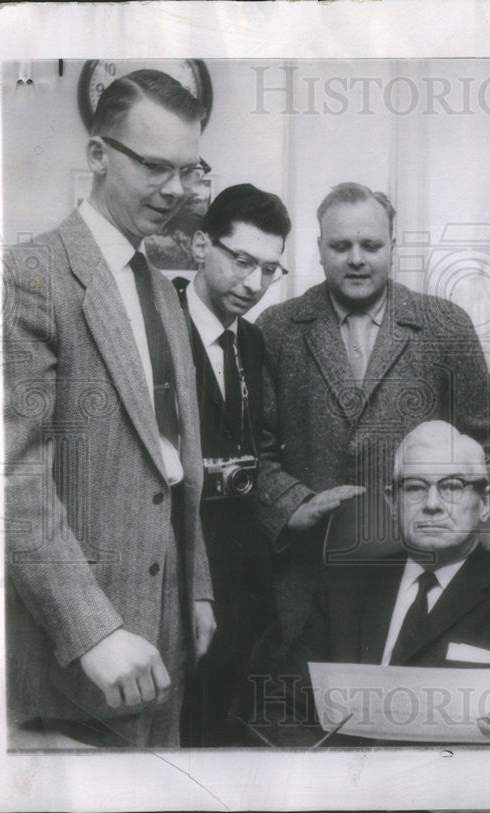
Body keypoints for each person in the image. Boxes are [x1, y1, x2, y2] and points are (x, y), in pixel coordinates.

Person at [4, 69, 216, 748]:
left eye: (190, 170)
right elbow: (13, 480)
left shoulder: (160, 286)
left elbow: (173, 455)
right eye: (156, 167)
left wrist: (200, 588)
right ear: (98, 154)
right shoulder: (29, 273)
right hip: (75, 658)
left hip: (167, 637)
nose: (178, 190)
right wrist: (91, 628)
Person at [252, 421, 490, 747]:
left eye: (453, 486)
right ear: (392, 503)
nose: (432, 505)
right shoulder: (344, 589)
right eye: (415, 488)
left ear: (485, 503)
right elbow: (276, 706)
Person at [255, 182, 490, 641]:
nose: (356, 258)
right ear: (318, 248)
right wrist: (299, 506)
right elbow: (257, 453)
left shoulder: (446, 325)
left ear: (394, 244)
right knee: (312, 702)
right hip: (307, 576)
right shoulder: (277, 328)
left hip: (423, 577)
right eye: (340, 246)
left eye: (370, 245)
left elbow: (489, 446)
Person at [172, 184, 290, 746]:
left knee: (224, 727)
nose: (254, 285)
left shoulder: (254, 342)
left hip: (242, 570)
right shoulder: (156, 328)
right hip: (176, 565)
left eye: (270, 269)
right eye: (242, 261)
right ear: (200, 246)